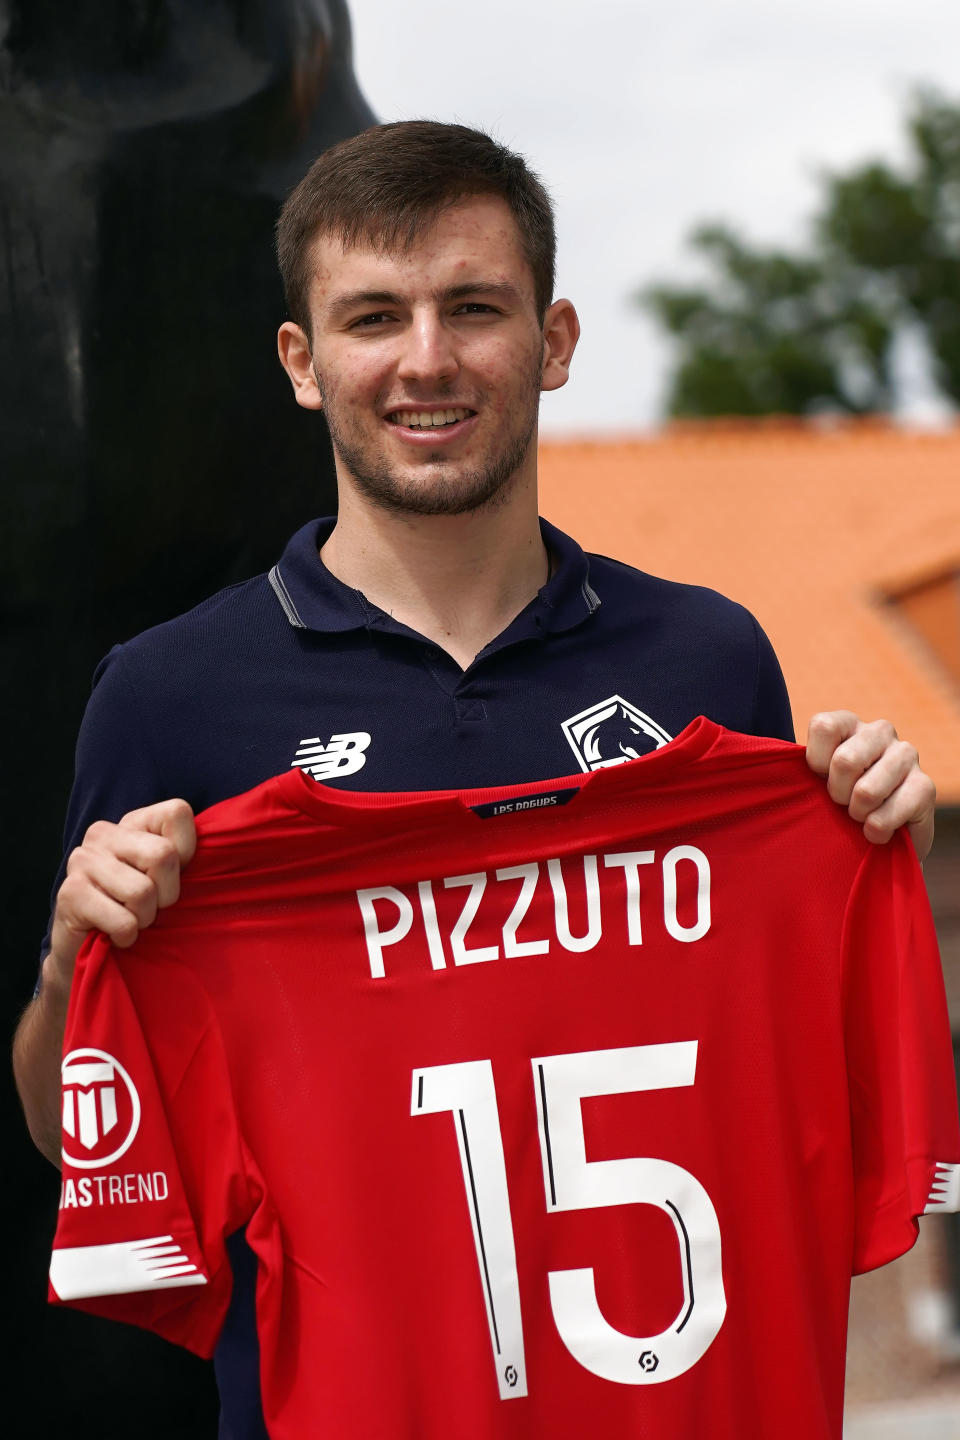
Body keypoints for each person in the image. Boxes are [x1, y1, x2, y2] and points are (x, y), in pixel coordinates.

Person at [13, 121, 937, 1437]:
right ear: (302, 360)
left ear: (554, 342)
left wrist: (854, 833)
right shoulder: (170, 700)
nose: (426, 359)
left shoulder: (709, 660)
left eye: (474, 308)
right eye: (374, 317)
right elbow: (75, 1141)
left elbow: (793, 1077)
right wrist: (70, 967)